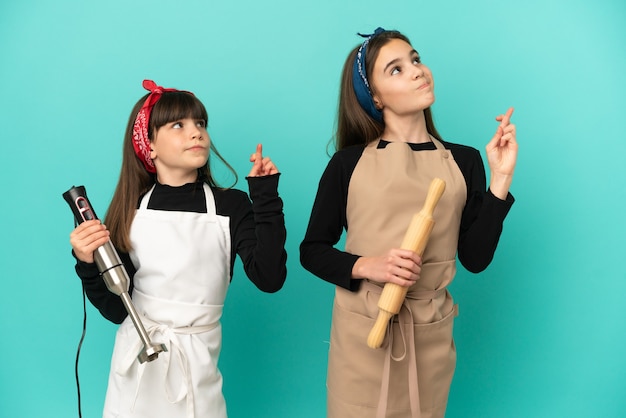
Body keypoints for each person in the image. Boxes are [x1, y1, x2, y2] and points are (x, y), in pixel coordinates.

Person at [300, 28, 517, 418]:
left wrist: (500, 180)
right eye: (396, 69)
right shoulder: (348, 164)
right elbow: (311, 251)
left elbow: (475, 257)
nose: (417, 71)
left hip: (428, 333)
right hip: (364, 332)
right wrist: (368, 265)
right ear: (375, 97)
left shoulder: (464, 160)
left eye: (415, 60)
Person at [69, 79, 287, 417]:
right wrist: (87, 263)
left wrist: (266, 197)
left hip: (197, 363)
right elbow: (117, 310)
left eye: (200, 123)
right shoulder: (131, 210)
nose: (196, 132)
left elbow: (269, 277)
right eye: (178, 125)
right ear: (149, 145)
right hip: (137, 364)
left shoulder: (232, 205)